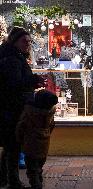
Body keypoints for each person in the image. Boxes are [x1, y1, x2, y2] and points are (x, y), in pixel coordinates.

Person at [0, 26, 45, 189]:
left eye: (29, 41)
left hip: (10, 107)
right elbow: (14, 84)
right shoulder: (11, 59)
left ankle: (4, 178)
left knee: (10, 144)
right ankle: (13, 181)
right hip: (12, 108)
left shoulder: (12, 55)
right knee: (13, 145)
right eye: (24, 41)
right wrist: (33, 80)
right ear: (15, 41)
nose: (28, 44)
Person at [16, 89, 58, 189]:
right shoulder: (50, 113)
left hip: (30, 145)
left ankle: (36, 186)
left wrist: (19, 140)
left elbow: (21, 127)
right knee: (39, 168)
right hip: (44, 145)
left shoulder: (30, 113)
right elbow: (52, 126)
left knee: (32, 170)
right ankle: (39, 183)